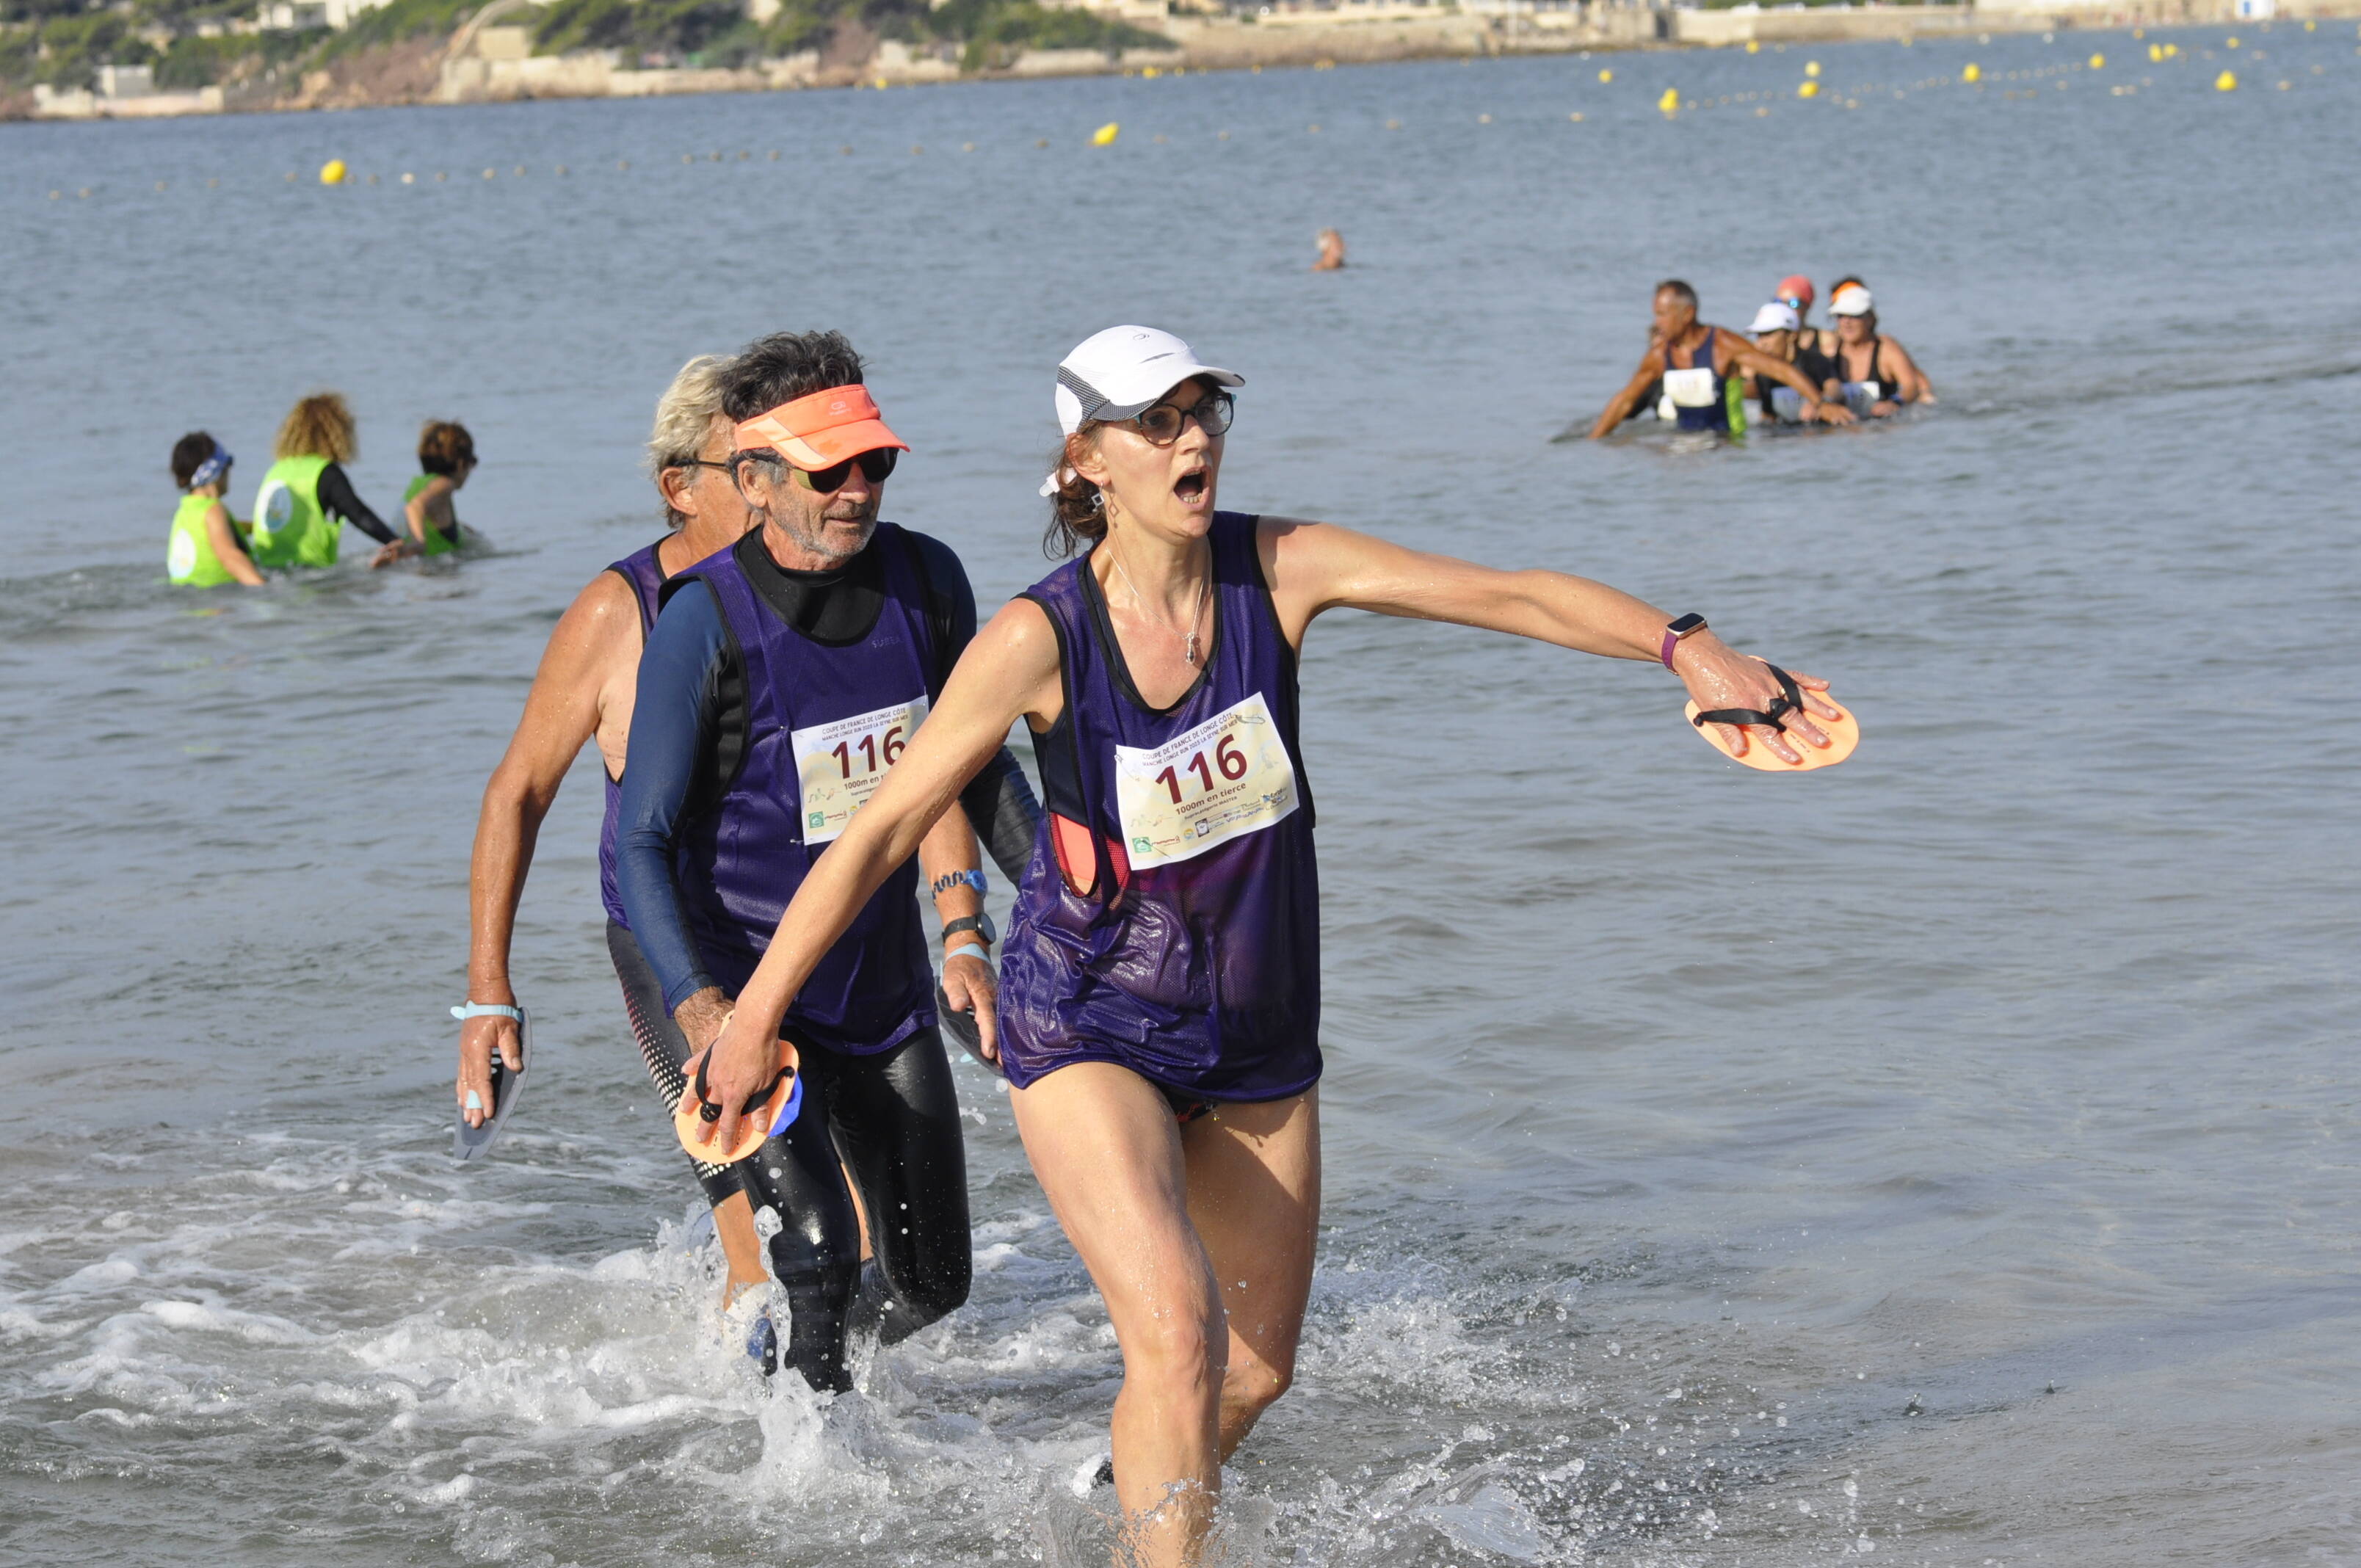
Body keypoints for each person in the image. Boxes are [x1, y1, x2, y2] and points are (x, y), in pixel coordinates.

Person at [688, 324, 1849, 1564]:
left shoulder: (1278, 570)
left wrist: (1687, 648)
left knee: (1252, 1374)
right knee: (1176, 1336)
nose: (1193, 437)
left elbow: (1502, 592)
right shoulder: (1040, 638)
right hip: (1085, 1017)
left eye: (1206, 411)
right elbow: (879, 836)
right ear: (1086, 460)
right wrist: (755, 1012)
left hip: (1254, 1023)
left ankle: (1121, 1493)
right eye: (1159, 421)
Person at [614, 329, 1040, 1393]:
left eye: (875, 464)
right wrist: (705, 1013)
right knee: (811, 1259)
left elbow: (980, 772)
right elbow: (642, 844)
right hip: (748, 989)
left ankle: (794, 1390)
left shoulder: (928, 583)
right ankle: (805, 1487)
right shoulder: (701, 623)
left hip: (878, 990)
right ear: (753, 481)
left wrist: (1065, 903)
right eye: (827, 471)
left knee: (936, 1282)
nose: (857, 491)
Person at [451, 357, 781, 1335]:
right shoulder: (618, 613)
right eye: (748, 467)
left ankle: (838, 1415)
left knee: (867, 1230)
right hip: (673, 948)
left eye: (786, 463)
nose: (776, 492)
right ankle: (762, 1445)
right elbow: (517, 792)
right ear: (680, 487)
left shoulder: (816, 594)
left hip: (804, 934)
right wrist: (487, 995)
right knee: (763, 1233)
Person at [1587, 281, 1852, 438]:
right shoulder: (1660, 355)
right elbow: (1624, 401)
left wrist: (1820, 403)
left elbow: (1780, 370)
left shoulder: (1723, 345)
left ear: (1687, 313)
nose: (1658, 323)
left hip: (1728, 446)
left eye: (1663, 314)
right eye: (1656, 314)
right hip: (1682, 444)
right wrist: (1594, 440)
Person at [249, 392, 401, 568]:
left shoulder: (275, 471)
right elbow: (358, 514)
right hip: (308, 572)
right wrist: (395, 542)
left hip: (264, 567)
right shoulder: (325, 473)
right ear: (337, 433)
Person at [165, 432, 264, 588]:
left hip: (187, 595)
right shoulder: (213, 510)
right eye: (227, 465)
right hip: (218, 598)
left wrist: (255, 528)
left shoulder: (186, 509)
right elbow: (229, 557)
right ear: (215, 471)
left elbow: (217, 533)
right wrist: (263, 588)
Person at [1824, 283, 1937, 417]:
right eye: (1841, 316)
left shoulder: (1887, 350)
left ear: (1870, 319)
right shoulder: (1828, 348)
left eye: (1854, 316)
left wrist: (1895, 403)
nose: (1847, 322)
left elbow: (1911, 387)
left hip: (1881, 429)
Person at [377, 420, 479, 564]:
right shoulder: (445, 484)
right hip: (435, 575)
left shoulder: (418, 484)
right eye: (473, 461)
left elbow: (426, 517)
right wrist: (418, 543)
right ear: (461, 463)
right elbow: (415, 506)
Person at [1745, 301, 1841, 424]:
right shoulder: (1763, 374)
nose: (1762, 343)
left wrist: (1821, 403)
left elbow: (1835, 388)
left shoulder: (1814, 360)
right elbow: (1768, 415)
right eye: (1759, 336)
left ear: (1792, 335)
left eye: (1768, 334)